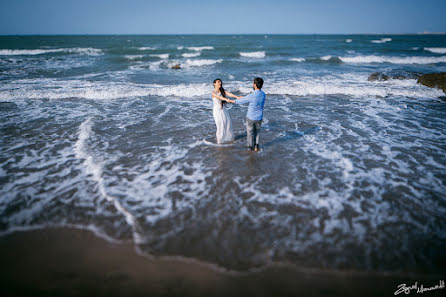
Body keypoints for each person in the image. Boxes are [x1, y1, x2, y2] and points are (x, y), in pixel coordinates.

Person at [226, 77, 265, 151]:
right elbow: (252, 99)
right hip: (259, 117)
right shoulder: (263, 94)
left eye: (253, 83)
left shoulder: (252, 95)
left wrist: (230, 101)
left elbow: (240, 102)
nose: (253, 85)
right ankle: (256, 146)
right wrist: (243, 97)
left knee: (250, 133)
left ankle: (250, 147)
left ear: (255, 84)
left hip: (251, 117)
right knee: (257, 133)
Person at [211, 79, 238, 144]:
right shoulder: (213, 92)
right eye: (218, 82)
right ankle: (219, 141)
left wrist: (237, 97)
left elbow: (230, 94)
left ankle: (229, 139)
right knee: (220, 125)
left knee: (228, 123)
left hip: (223, 110)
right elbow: (219, 97)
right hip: (217, 111)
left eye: (220, 82)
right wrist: (226, 99)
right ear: (214, 84)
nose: (220, 83)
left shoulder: (222, 91)